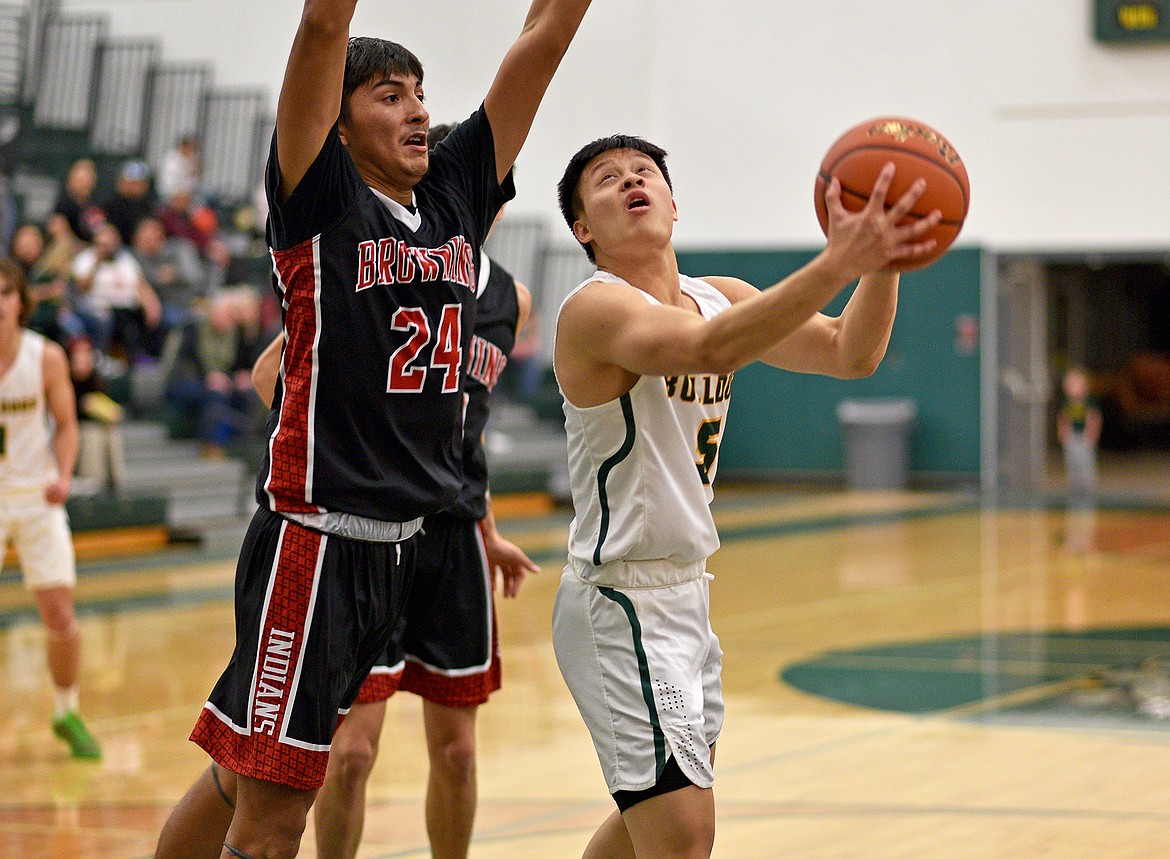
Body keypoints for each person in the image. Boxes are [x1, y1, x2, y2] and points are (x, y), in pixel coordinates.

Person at [153, 0, 593, 856]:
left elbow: (547, 37)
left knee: (241, 771)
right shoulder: (320, 200)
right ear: (340, 127)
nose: (419, 110)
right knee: (277, 816)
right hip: (314, 543)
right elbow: (323, 28)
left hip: (400, 546)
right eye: (389, 96)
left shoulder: (456, 191)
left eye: (421, 93)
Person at [549, 135, 939, 858]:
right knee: (684, 836)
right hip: (620, 603)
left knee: (654, 829)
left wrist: (885, 264)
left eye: (646, 173)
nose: (632, 180)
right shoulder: (594, 310)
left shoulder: (720, 296)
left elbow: (850, 352)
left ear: (674, 202)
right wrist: (837, 260)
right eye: (607, 180)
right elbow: (708, 350)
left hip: (689, 594)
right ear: (584, 228)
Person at [0, 257, 100, 759]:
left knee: (61, 614)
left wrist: (62, 475)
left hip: (35, 495)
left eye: (4, 293)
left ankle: (67, 711)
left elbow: (67, 425)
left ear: (20, 301)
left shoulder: (45, 357)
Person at [70, 222, 162, 364]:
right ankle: (102, 359)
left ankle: (142, 359)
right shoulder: (86, 259)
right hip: (97, 307)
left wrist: (152, 304)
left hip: (127, 306)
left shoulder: (125, 259)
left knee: (145, 316)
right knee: (113, 320)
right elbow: (82, 287)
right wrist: (98, 261)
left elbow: (140, 283)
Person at [1057, 366, 1102, 498]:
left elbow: (1094, 417)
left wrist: (1092, 432)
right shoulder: (1066, 403)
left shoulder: (1089, 402)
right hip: (1071, 436)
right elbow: (1063, 418)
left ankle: (1088, 485)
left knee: (1086, 460)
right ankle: (1074, 485)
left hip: (1084, 436)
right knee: (1072, 459)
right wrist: (1062, 431)